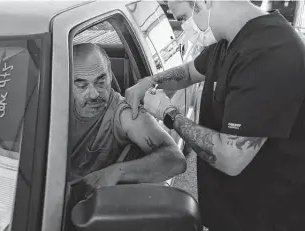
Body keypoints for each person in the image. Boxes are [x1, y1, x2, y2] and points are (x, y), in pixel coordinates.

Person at [125, 0, 305, 230]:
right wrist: (150, 81)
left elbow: (231, 157)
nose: (184, 28)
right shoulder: (229, 40)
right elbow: (190, 72)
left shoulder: (270, 54)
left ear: (203, 2)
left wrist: (168, 113)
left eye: (182, 18)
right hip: (231, 211)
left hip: (266, 217)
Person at [69, 43, 187, 188]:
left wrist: (115, 173)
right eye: (82, 86)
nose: (94, 94)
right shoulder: (52, 103)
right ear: (67, 81)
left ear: (110, 74)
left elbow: (175, 160)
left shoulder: (124, 113)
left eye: (100, 82)